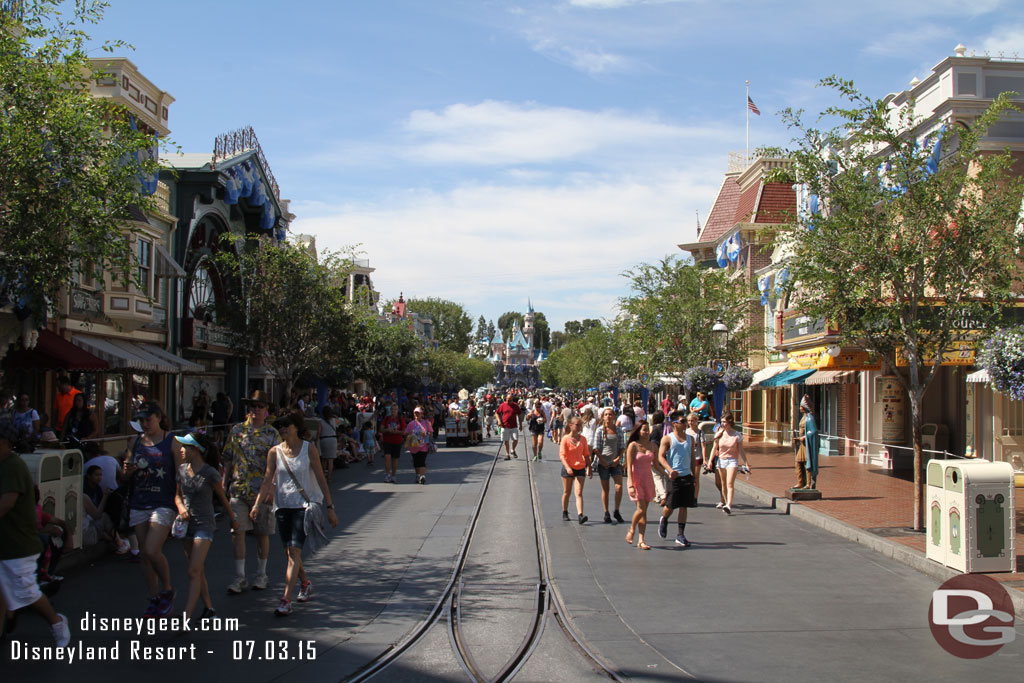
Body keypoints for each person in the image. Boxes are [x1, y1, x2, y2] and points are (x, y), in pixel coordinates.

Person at [251, 410, 337, 617]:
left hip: (304, 507)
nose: (282, 429)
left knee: (294, 552)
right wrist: (256, 504)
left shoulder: (309, 450)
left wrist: (330, 507)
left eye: (286, 425)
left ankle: (286, 600)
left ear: (297, 427)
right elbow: (267, 479)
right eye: (280, 426)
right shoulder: (275, 452)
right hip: (282, 506)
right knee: (289, 553)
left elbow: (321, 478)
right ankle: (305, 583)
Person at [0, 419, 71, 646]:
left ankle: (57, 622)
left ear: (4, 442)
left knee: (27, 592)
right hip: (5, 542)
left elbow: (6, 503)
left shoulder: (13, 466)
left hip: (18, 544)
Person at [174, 431, 239, 620]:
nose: (182, 450)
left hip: (205, 523)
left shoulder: (210, 473)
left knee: (193, 570)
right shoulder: (181, 470)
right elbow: (177, 495)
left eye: (186, 447)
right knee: (197, 569)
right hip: (187, 524)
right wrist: (180, 508)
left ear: (197, 450)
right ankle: (209, 607)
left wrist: (233, 517)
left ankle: (186, 615)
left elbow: (222, 497)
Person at [122, 402, 178, 616]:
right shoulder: (135, 442)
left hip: (163, 501)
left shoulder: (171, 441)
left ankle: (167, 589)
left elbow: (181, 473)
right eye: (141, 421)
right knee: (145, 554)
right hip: (139, 500)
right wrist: (129, 470)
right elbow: (124, 472)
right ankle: (153, 596)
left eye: (148, 420)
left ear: (158, 417)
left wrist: (181, 503)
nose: (144, 424)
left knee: (152, 549)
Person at [222, 390, 280, 594]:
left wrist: (272, 487)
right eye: (253, 406)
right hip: (238, 489)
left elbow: (277, 465)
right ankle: (239, 576)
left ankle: (261, 573)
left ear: (266, 411)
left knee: (262, 533)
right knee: (237, 532)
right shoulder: (237, 431)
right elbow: (228, 459)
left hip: (261, 492)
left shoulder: (272, 434)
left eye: (260, 407)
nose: (255, 410)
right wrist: (223, 484)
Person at [655, 410, 698, 547]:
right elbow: (660, 456)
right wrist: (670, 469)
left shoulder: (690, 439)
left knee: (684, 506)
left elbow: (691, 457)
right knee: (671, 505)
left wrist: (694, 475)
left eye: (686, 421)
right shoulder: (667, 439)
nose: (686, 423)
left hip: (687, 476)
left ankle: (680, 534)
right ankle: (664, 518)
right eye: (683, 421)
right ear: (674, 424)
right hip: (674, 477)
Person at [624, 421, 657, 550]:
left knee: (644, 512)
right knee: (641, 509)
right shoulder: (633, 445)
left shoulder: (652, 446)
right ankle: (632, 528)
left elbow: (657, 464)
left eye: (648, 430)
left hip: (647, 480)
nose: (646, 432)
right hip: (636, 479)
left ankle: (641, 540)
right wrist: (631, 484)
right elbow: (629, 466)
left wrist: (668, 473)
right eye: (644, 430)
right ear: (638, 431)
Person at [711, 411, 750, 514]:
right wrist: (710, 461)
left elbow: (741, 450)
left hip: (732, 460)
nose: (723, 424)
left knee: (729, 483)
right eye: (722, 422)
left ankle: (729, 505)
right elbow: (714, 447)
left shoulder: (737, 435)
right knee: (723, 483)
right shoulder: (719, 433)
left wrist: (746, 463)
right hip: (721, 460)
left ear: (730, 422)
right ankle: (725, 502)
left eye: (725, 422)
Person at [591, 408, 626, 525]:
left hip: (615, 463)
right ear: (603, 417)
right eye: (606, 415)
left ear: (614, 416)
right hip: (603, 463)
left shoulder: (619, 430)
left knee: (619, 487)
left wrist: (618, 459)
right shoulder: (600, 430)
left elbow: (622, 447)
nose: (608, 417)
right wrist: (602, 461)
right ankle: (606, 512)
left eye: (610, 414)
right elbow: (596, 448)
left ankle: (616, 510)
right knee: (606, 489)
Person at [559, 416, 591, 524]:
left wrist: (589, 467)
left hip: (580, 468)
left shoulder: (583, 439)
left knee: (579, 492)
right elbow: (562, 455)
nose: (579, 427)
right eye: (577, 425)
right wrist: (568, 468)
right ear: (570, 425)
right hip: (568, 468)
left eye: (580, 425)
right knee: (567, 492)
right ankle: (565, 511)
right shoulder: (565, 439)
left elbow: (586, 454)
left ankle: (580, 515)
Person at [794, 395, 819, 490]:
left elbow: (813, 431)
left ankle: (809, 484)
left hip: (807, 444)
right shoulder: (804, 417)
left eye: (801, 406)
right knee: (798, 462)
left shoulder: (809, 418)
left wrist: (804, 437)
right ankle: (800, 482)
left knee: (807, 463)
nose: (800, 408)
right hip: (802, 444)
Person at [404, 406, 433, 484]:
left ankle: (422, 476)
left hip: (423, 446)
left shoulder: (426, 423)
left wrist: (428, 435)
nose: (416, 415)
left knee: (422, 461)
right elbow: (405, 433)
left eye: (418, 413)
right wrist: (409, 434)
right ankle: (418, 475)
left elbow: (431, 431)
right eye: (415, 413)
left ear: (422, 414)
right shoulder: (411, 424)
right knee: (416, 462)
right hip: (413, 446)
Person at [380, 403, 406, 484]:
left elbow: (404, 431)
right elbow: (381, 429)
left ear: (397, 410)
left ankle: (393, 475)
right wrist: (387, 430)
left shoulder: (400, 419)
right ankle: (387, 475)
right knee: (387, 457)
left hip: (397, 441)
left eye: (395, 409)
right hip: (387, 441)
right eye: (392, 409)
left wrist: (397, 431)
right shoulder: (386, 418)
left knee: (394, 459)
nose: (393, 411)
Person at [685, 412, 708, 502]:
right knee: (687, 476)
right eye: (689, 421)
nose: (690, 422)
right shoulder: (686, 431)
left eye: (692, 421)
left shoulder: (700, 432)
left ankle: (695, 497)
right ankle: (688, 495)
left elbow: (703, 446)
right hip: (688, 456)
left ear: (696, 421)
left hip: (697, 457)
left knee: (695, 477)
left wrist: (705, 458)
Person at [496, 394, 523, 460]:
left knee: (515, 439)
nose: (508, 401)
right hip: (505, 426)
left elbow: (519, 415)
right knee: (506, 440)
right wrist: (499, 421)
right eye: (507, 400)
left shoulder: (515, 406)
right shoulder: (503, 405)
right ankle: (507, 454)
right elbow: (497, 413)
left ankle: (512, 450)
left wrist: (520, 424)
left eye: (510, 400)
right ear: (506, 399)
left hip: (513, 426)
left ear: (512, 400)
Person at [318, 406, 339, 483]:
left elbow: (319, 432)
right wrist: (334, 415)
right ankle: (329, 477)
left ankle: (323, 476)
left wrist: (316, 439)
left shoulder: (320, 421)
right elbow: (339, 421)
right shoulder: (334, 420)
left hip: (324, 439)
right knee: (331, 460)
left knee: (324, 459)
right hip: (333, 440)